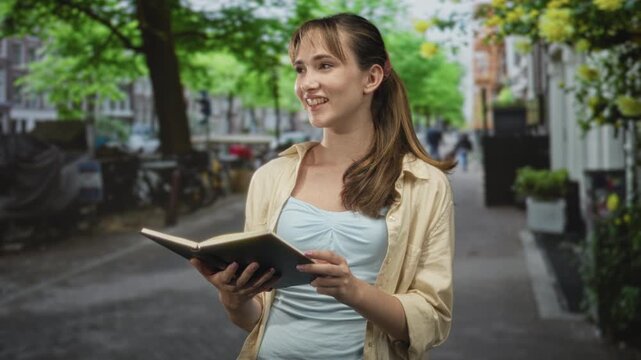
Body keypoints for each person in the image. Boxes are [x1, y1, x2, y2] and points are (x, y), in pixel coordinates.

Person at [190, 13, 455, 360]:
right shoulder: (270, 177)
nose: (307, 83)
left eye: (324, 66)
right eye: (300, 69)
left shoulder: (424, 184)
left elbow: (433, 320)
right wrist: (234, 299)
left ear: (372, 77)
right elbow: (257, 318)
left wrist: (353, 291)